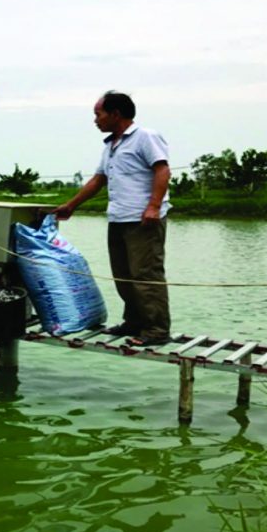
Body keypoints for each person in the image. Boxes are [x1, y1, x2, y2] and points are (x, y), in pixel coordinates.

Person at [53, 91, 172, 346]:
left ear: (115, 114)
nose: (95, 120)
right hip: (118, 217)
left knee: (145, 275)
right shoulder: (111, 145)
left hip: (143, 219)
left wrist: (153, 206)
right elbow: (99, 179)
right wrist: (71, 205)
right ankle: (134, 321)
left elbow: (162, 170)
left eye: (99, 114)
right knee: (123, 275)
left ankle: (157, 330)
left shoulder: (145, 136)